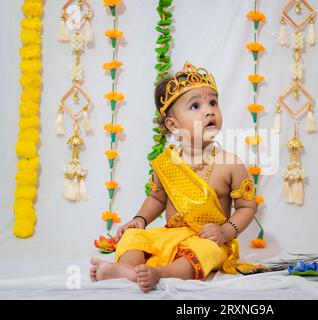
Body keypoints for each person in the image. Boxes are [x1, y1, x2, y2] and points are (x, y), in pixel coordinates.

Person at [90, 61, 257, 292]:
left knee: (205, 252)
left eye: (213, 103)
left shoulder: (230, 163)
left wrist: (225, 232)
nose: (209, 110)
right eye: (196, 106)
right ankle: (126, 269)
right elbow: (157, 199)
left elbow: (247, 207)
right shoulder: (167, 163)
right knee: (133, 236)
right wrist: (140, 219)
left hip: (209, 240)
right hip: (171, 235)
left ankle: (160, 273)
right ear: (173, 125)